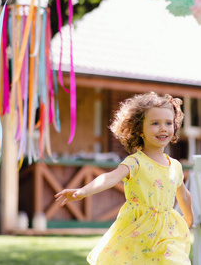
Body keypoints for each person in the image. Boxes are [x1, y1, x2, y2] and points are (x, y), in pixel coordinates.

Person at [55, 92, 193, 264]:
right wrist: (83, 191)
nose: (163, 128)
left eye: (168, 123)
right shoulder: (136, 162)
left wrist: (188, 219)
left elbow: (184, 195)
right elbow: (109, 178)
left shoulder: (175, 166)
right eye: (155, 123)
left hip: (167, 231)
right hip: (139, 229)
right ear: (139, 130)